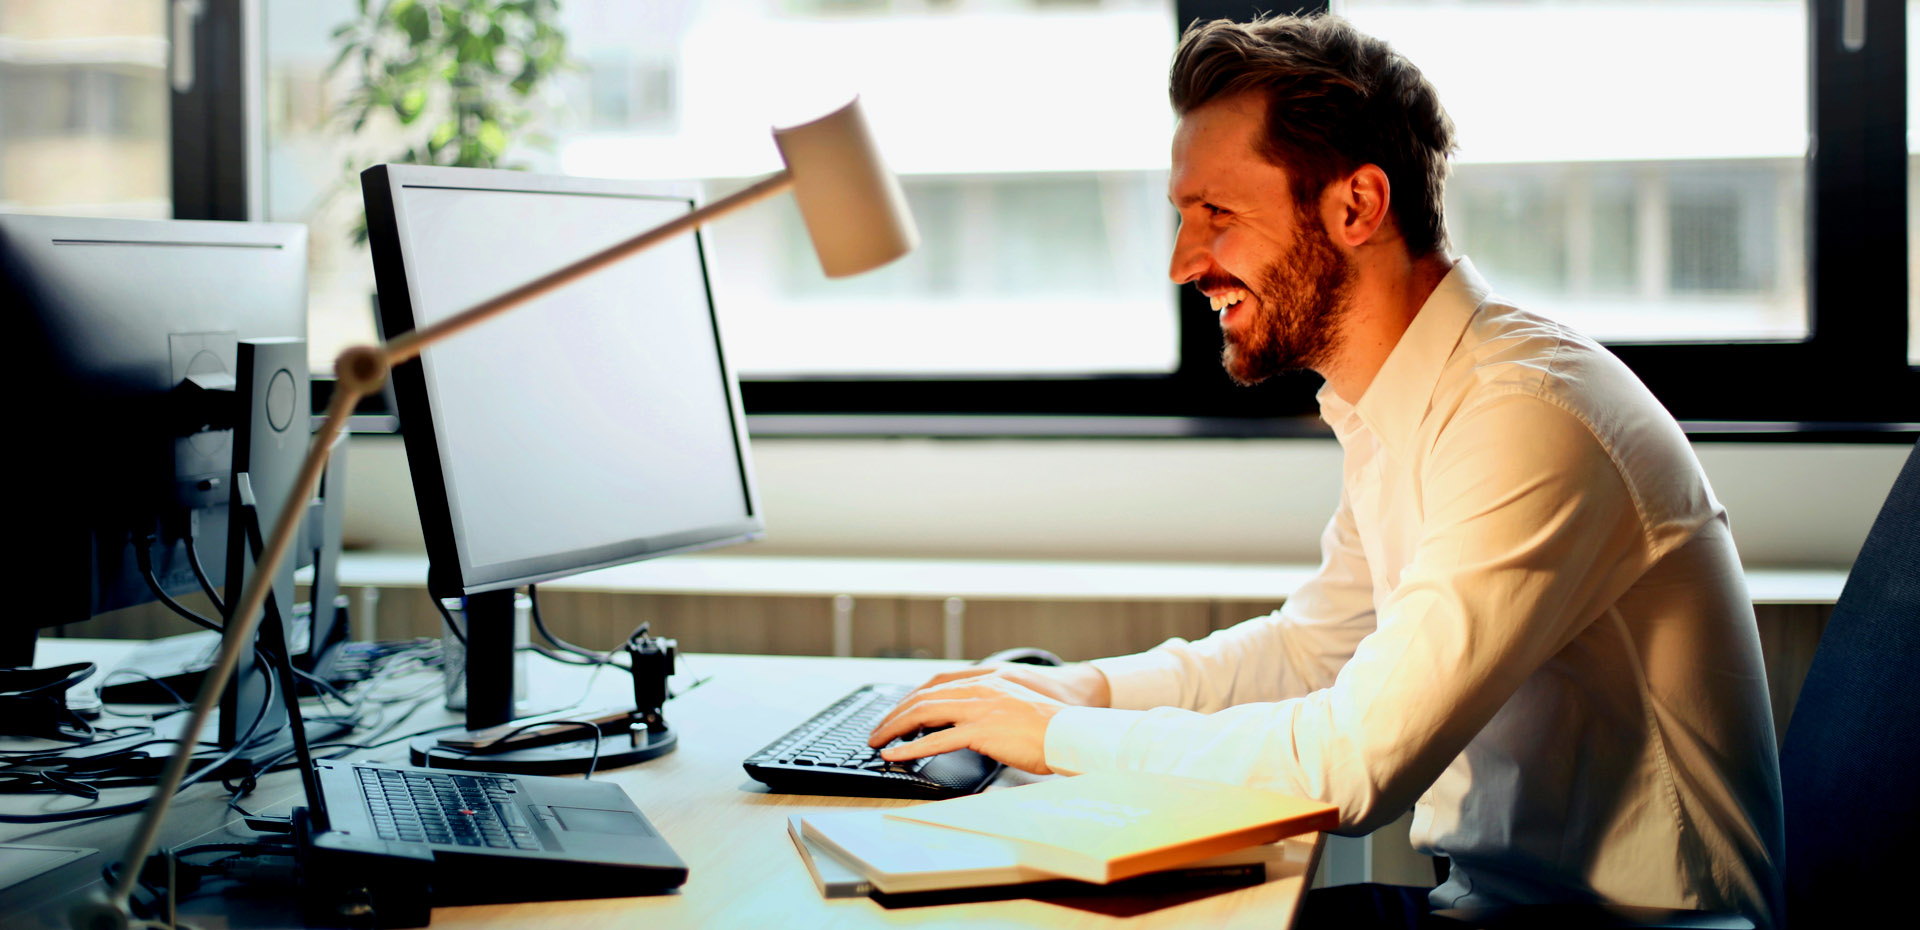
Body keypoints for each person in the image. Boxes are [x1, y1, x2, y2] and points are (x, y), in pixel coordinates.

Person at [868, 13, 1785, 929]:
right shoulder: (1399, 400)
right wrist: (1085, 690)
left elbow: (1355, 766)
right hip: (1496, 908)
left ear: (1358, 206)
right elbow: (1314, 651)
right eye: (1183, 217)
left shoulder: (1528, 418)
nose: (1185, 262)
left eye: (1217, 215)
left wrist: (1055, 737)